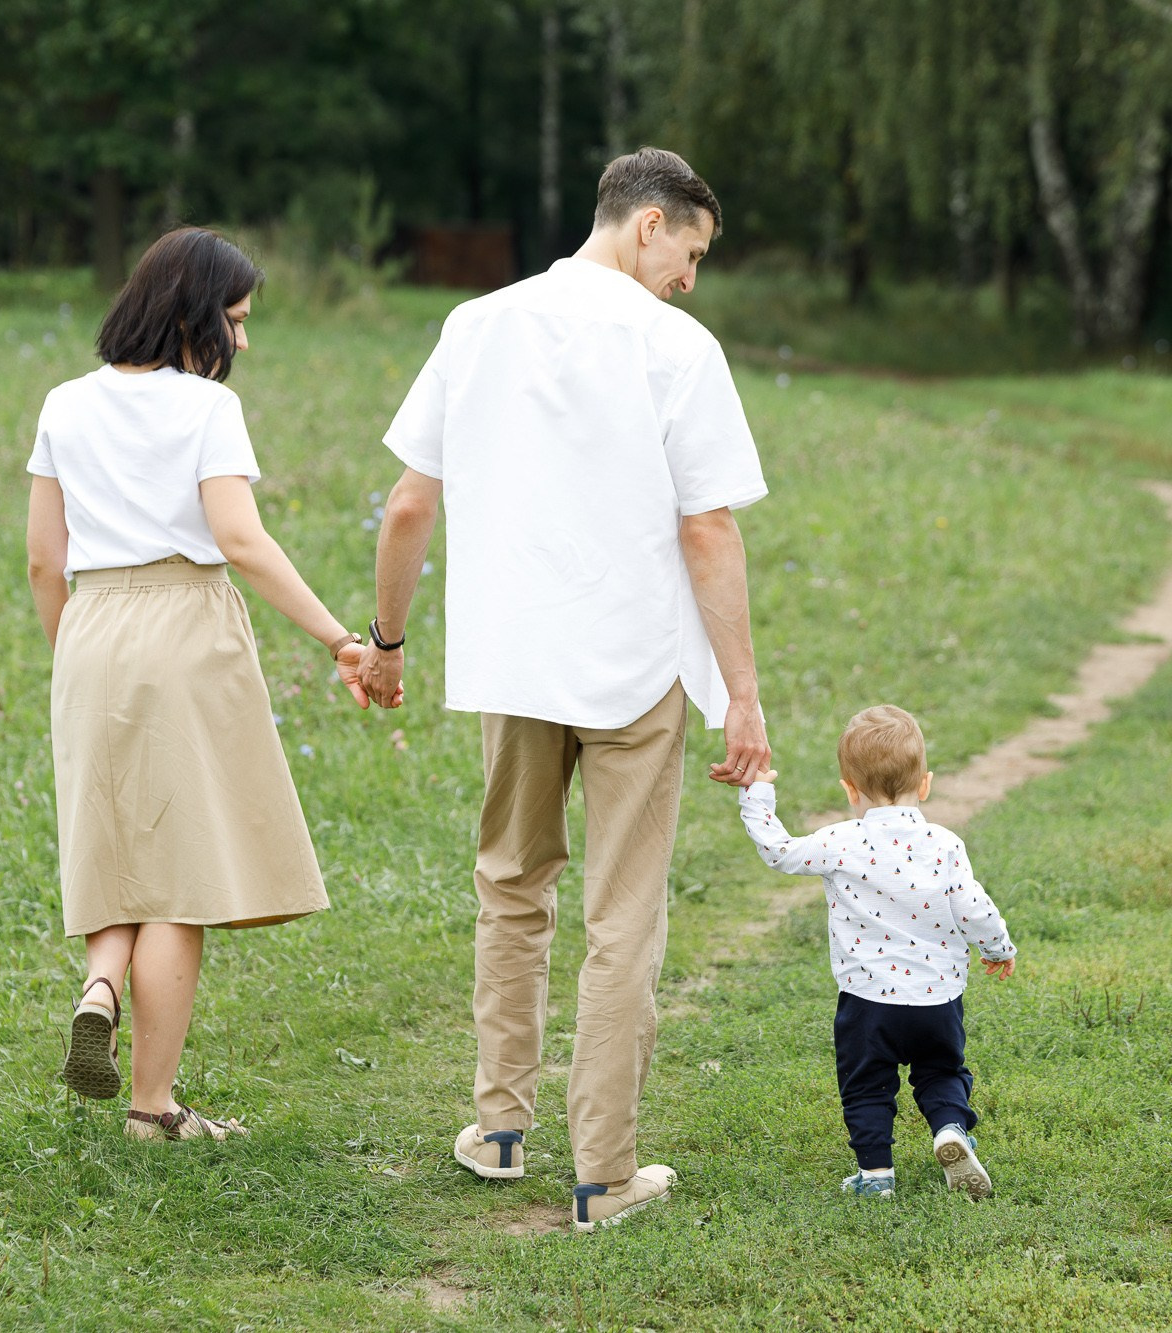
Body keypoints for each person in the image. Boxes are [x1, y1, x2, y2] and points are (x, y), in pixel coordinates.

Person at [360, 147, 772, 1231]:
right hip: (633, 667)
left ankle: (498, 1128)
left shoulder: (475, 325)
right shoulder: (677, 348)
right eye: (688, 253)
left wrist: (387, 641)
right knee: (620, 915)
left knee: (510, 882)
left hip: (513, 660)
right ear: (647, 225)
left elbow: (408, 505)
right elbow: (708, 528)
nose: (689, 279)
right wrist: (742, 694)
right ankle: (603, 1174)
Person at [25, 226, 380, 1142]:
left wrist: (77, 654)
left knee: (113, 847)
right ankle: (154, 1109)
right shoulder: (206, 411)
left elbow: (41, 561)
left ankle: (100, 984)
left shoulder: (63, 404)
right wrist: (342, 636)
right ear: (193, 316)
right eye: (235, 320)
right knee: (180, 878)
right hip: (184, 625)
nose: (243, 342)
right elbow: (242, 540)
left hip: (93, 629)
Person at [737, 706, 1016, 1199]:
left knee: (867, 1084)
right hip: (937, 999)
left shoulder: (839, 841)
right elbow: (973, 905)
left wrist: (758, 792)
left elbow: (779, 851)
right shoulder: (944, 843)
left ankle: (876, 1177)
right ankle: (950, 1129)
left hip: (868, 1001)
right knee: (942, 1070)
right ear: (924, 784)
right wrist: (997, 946)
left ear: (849, 789)